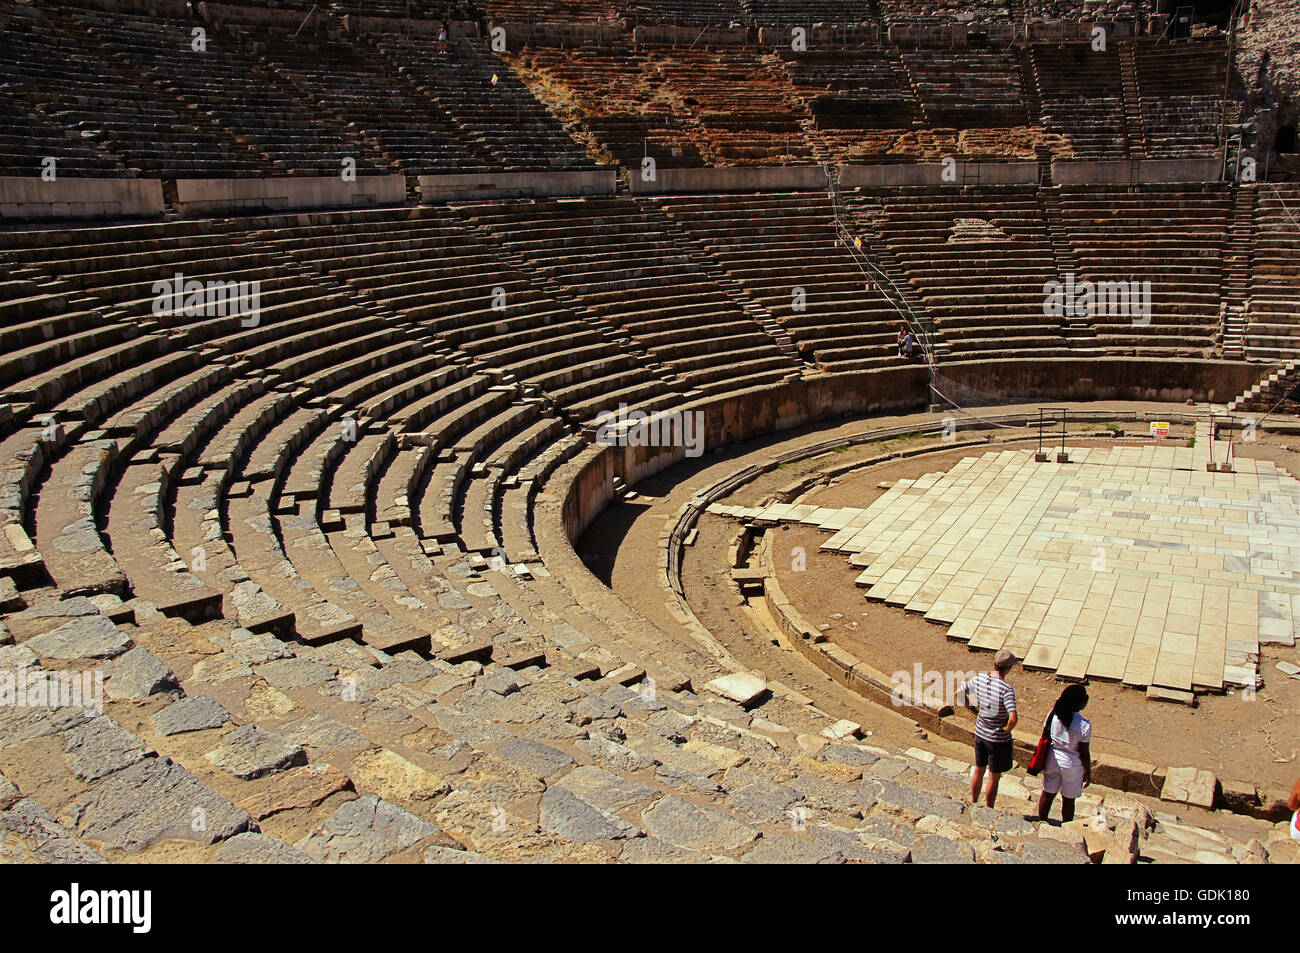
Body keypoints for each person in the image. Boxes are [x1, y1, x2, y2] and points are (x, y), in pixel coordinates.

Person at [959, 649, 1019, 809]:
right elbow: (1013, 718)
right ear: (1008, 669)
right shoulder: (1006, 690)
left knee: (979, 769)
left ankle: (973, 801)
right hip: (998, 740)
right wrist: (1006, 729)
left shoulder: (979, 678)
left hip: (980, 733)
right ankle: (989, 807)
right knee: (994, 775)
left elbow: (959, 693)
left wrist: (971, 709)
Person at [1036, 684, 1092, 823]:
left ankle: (1041, 821)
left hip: (1052, 759)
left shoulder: (1053, 714)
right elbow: (1084, 753)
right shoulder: (1084, 725)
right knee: (1068, 799)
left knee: (1048, 793)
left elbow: (1045, 735)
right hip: (1072, 765)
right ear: (1080, 702)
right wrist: (1088, 772)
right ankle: (1066, 826)